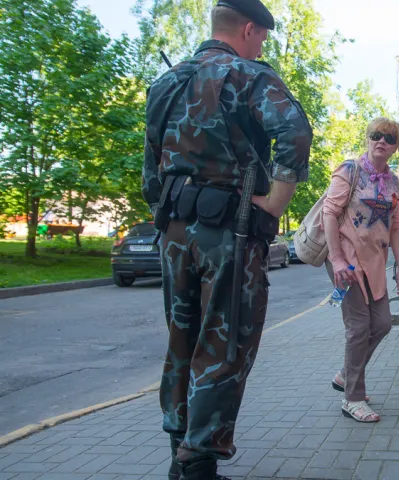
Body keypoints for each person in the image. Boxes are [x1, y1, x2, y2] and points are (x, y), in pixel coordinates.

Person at [142, 0, 314, 478]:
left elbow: (150, 172)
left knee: (182, 339)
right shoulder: (246, 75)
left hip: (174, 232)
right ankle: (197, 465)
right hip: (229, 235)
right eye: (261, 36)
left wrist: (168, 217)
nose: (261, 45)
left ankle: (179, 452)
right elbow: (295, 133)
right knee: (224, 345)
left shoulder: (165, 82)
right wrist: (276, 203)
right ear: (249, 29)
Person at [323, 117, 399, 423]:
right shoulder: (349, 171)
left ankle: (347, 374)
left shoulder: (393, 182)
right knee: (359, 328)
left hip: (375, 264)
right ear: (368, 138)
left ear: (396, 147)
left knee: (383, 323)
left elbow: (396, 227)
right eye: (376, 135)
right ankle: (353, 398)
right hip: (346, 262)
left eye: (389, 138)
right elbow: (329, 214)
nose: (381, 141)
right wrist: (336, 260)